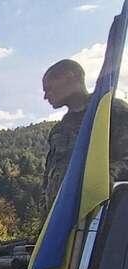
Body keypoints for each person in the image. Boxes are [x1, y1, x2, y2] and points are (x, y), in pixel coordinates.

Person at [43, 58, 128, 212]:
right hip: (61, 220)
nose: (46, 96)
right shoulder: (59, 130)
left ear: (70, 76)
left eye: (49, 88)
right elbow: (48, 180)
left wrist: (108, 175)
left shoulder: (111, 111)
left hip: (103, 216)